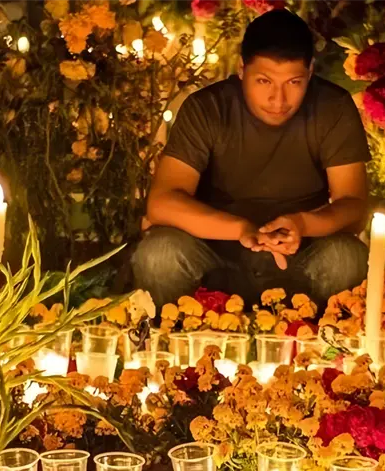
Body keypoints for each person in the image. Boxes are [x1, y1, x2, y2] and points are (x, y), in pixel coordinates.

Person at [132, 9, 370, 307]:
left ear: (310, 72)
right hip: (215, 255)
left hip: (300, 256)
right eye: (264, 81)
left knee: (347, 257)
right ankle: (175, 332)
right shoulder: (208, 108)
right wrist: (242, 230)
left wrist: (301, 224)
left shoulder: (332, 107)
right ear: (242, 69)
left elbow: (354, 207)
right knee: (160, 254)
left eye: (293, 82)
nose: (278, 100)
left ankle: (323, 335)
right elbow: (162, 202)